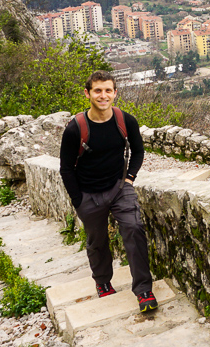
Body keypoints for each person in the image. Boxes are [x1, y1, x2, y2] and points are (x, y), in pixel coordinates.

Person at [59, 70, 157, 312]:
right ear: (88, 94)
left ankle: (144, 290)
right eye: (98, 91)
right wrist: (78, 200)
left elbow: (138, 150)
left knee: (134, 229)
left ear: (115, 93)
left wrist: (130, 179)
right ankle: (102, 282)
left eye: (108, 90)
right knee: (97, 241)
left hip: (118, 186)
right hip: (88, 193)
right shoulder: (75, 129)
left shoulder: (126, 121)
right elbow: (66, 168)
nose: (103, 96)